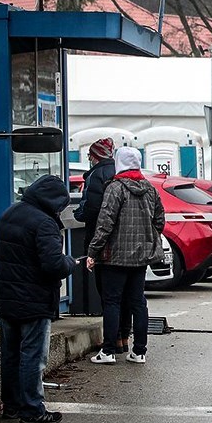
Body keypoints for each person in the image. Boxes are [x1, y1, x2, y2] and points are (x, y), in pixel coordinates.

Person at [0, 175, 78, 423]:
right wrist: (71, 262)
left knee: (10, 355)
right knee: (33, 356)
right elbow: (53, 264)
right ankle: (32, 410)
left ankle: (11, 406)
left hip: (8, 297)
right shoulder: (44, 223)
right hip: (34, 299)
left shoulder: (10, 213)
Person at [88, 147, 166, 365]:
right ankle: (139, 351)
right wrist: (148, 237)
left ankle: (109, 351)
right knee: (138, 303)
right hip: (141, 257)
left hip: (115, 257)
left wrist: (93, 251)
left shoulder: (115, 188)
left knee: (112, 302)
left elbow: (105, 224)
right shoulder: (150, 189)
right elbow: (160, 220)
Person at [73, 137, 132, 351]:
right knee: (127, 296)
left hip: (103, 243)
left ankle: (112, 341)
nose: (89, 158)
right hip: (127, 244)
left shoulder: (96, 175)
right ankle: (124, 338)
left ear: (95, 156)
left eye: (90, 155)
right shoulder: (119, 173)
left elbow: (92, 209)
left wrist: (78, 214)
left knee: (109, 296)